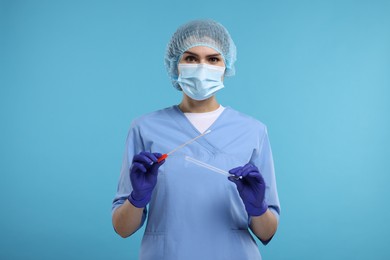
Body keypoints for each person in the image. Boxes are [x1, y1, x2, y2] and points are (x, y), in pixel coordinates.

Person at [112, 19, 280, 259]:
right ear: (175, 65)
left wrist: (257, 208)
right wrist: (137, 199)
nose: (202, 67)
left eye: (213, 59)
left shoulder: (253, 131)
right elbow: (122, 228)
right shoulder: (145, 128)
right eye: (191, 58)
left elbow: (267, 232)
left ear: (227, 65)